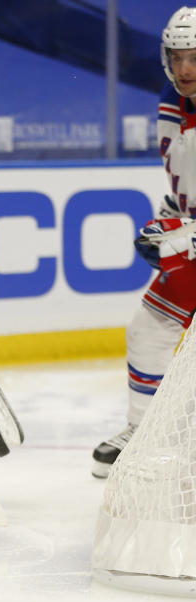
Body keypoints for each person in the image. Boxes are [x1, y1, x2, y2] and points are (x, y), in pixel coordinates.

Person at [91, 7, 196, 478]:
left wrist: (180, 239)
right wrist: (174, 216)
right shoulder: (171, 99)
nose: (185, 69)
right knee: (150, 328)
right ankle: (143, 431)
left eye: (195, 57)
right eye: (177, 57)